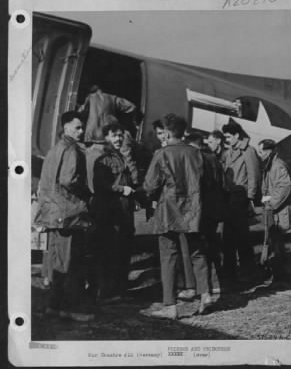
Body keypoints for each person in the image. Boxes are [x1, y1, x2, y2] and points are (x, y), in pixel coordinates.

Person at [143, 115, 212, 319]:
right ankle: (205, 294)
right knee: (197, 252)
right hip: (194, 209)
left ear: (167, 131)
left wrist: (150, 197)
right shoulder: (197, 154)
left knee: (168, 256)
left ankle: (170, 306)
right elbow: (206, 182)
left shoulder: (162, 154)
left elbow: (150, 184)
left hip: (169, 210)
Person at [35, 111, 94, 321]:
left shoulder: (53, 150)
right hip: (69, 214)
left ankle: (53, 306)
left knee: (57, 264)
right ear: (66, 127)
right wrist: (87, 193)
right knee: (70, 264)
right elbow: (69, 180)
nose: (81, 131)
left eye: (82, 127)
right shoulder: (72, 150)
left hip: (53, 213)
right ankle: (71, 309)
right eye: (77, 127)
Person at [92, 122, 136, 302]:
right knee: (109, 252)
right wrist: (122, 190)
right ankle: (106, 292)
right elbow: (101, 185)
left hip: (124, 212)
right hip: (111, 213)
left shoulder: (119, 156)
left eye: (120, 135)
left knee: (122, 251)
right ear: (106, 137)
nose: (118, 139)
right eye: (114, 135)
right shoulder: (103, 159)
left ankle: (119, 290)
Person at [221, 121, 261, 283]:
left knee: (242, 237)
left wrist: (251, 198)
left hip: (241, 196)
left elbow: (254, 176)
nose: (227, 139)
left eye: (229, 136)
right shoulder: (228, 152)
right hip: (228, 197)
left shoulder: (248, 152)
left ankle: (248, 271)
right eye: (225, 137)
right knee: (228, 236)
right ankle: (229, 272)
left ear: (237, 135)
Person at [187, 132, 226, 292]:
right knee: (213, 246)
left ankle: (203, 285)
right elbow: (223, 185)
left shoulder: (198, 159)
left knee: (199, 249)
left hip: (201, 209)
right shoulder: (213, 159)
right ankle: (217, 282)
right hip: (215, 208)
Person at [258, 139, 291, 282]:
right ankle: (277, 276)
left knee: (279, 246)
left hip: (278, 213)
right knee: (273, 244)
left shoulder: (278, 166)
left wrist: (271, 202)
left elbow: (285, 187)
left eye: (261, 152)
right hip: (273, 212)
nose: (259, 155)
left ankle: (282, 278)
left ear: (268, 151)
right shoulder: (270, 165)